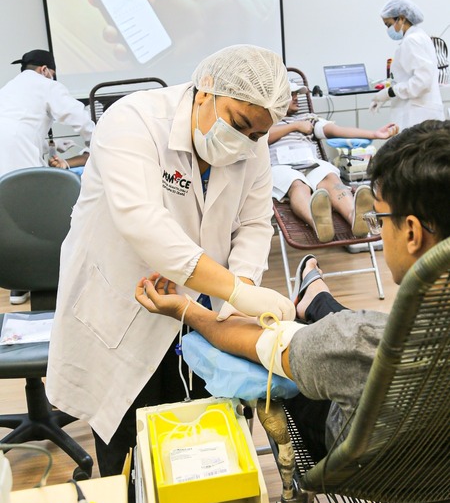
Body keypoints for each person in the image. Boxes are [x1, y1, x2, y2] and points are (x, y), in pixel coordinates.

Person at [45, 44, 296, 503]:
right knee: (128, 448)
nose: (246, 142)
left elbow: (253, 223)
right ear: (205, 92)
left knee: (208, 443)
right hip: (124, 305)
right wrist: (237, 291)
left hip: (201, 311)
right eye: (239, 124)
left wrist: (243, 282)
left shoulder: (252, 146)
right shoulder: (134, 121)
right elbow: (142, 221)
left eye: (258, 134)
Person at [135, 120, 450, 462]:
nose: (379, 227)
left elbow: (250, 339)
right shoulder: (372, 336)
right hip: (431, 470)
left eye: (380, 217)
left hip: (359, 461)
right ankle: (316, 296)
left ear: (412, 233)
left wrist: (185, 309)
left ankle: (313, 295)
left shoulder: (356, 342)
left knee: (304, 341)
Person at [0, 49, 94, 304]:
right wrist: (97, 142)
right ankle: (45, 276)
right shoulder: (45, 84)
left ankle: (19, 283)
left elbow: (22, 127)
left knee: (11, 218)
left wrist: (52, 147)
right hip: (18, 151)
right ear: (44, 70)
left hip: (9, 153)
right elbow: (79, 118)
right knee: (36, 215)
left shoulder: (9, 88)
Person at [270, 82, 398, 242]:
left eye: (297, 94)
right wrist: (295, 126)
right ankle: (318, 223)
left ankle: (355, 217)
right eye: (291, 95)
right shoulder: (267, 121)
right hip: (282, 167)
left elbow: (336, 130)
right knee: (298, 185)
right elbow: (263, 138)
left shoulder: (308, 119)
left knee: (332, 179)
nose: (296, 98)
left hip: (311, 164)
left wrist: (374, 134)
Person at [369, 0, 445, 131]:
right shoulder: (419, 37)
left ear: (401, 18)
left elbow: (422, 81)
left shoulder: (412, 41)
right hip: (420, 113)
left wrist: (390, 92)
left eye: (388, 24)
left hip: (417, 116)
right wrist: (387, 92)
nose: (388, 29)